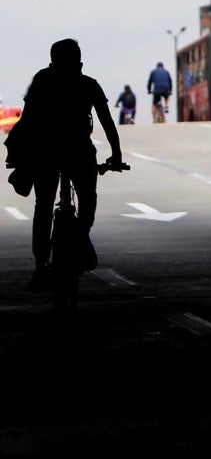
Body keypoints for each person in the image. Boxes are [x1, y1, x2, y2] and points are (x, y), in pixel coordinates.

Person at [6, 39, 123, 292]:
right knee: (88, 197)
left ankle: (40, 267)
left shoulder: (42, 79)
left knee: (44, 207)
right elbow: (106, 121)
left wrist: (21, 155)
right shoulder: (88, 84)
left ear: (52, 62)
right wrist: (116, 154)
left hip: (44, 154)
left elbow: (26, 121)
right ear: (80, 63)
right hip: (79, 153)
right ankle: (82, 236)